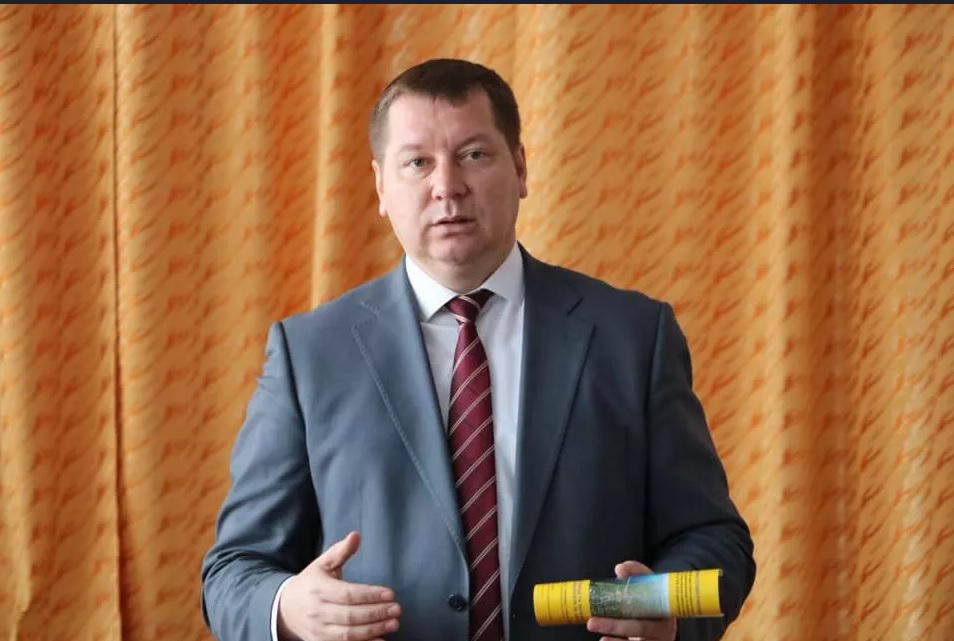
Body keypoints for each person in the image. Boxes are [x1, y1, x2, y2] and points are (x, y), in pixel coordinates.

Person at [200, 57, 756, 641]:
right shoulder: (309, 355)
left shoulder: (632, 336)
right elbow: (233, 570)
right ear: (381, 187)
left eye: (473, 154)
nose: (447, 186)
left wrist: (660, 610)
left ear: (520, 167)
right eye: (417, 162)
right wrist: (288, 608)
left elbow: (714, 539)